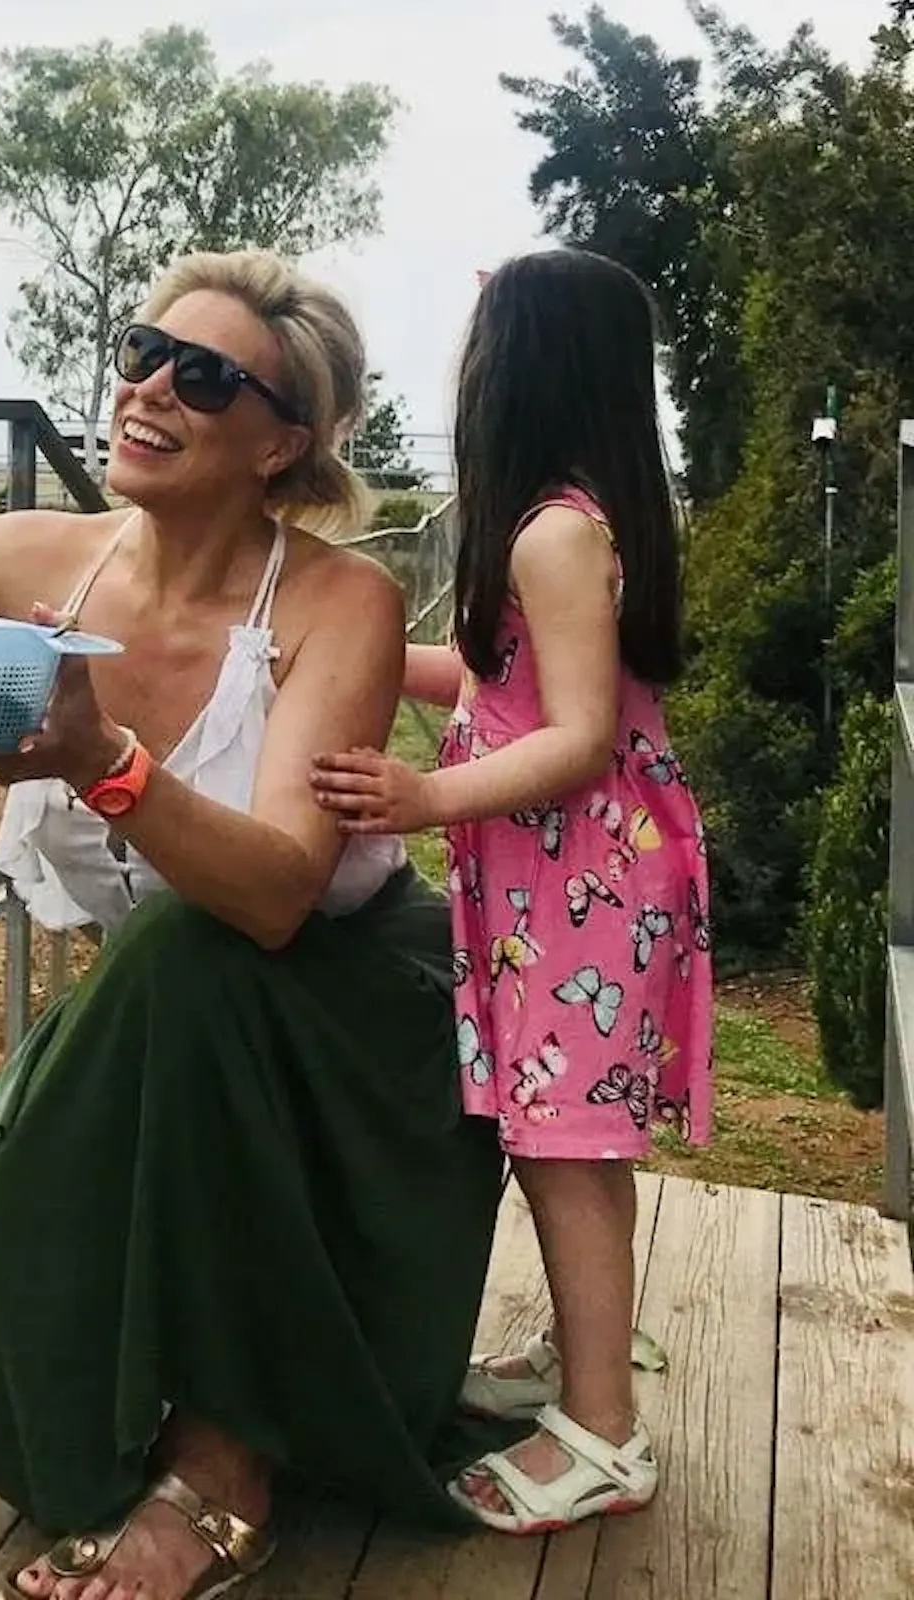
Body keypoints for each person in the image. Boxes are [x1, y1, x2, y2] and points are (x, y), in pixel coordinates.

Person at [0, 251, 504, 1600]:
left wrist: (99, 757)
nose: (147, 388)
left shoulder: (335, 602)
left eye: (203, 376)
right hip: (167, 1003)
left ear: (281, 442)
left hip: (353, 1006)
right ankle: (141, 1434)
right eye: (140, 350)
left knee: (185, 951)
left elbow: (274, 893)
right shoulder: (21, 561)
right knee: (16, 1192)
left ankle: (222, 1467)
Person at [313, 247, 711, 1536]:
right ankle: (583, 1362)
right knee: (573, 1138)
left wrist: (425, 798)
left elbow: (578, 733)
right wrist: (342, 648)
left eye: (478, 341)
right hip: (584, 881)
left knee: (564, 1145)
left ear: (516, 368)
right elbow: (505, 692)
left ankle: (603, 1433)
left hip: (580, 883)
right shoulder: (584, 517)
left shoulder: (551, 531)